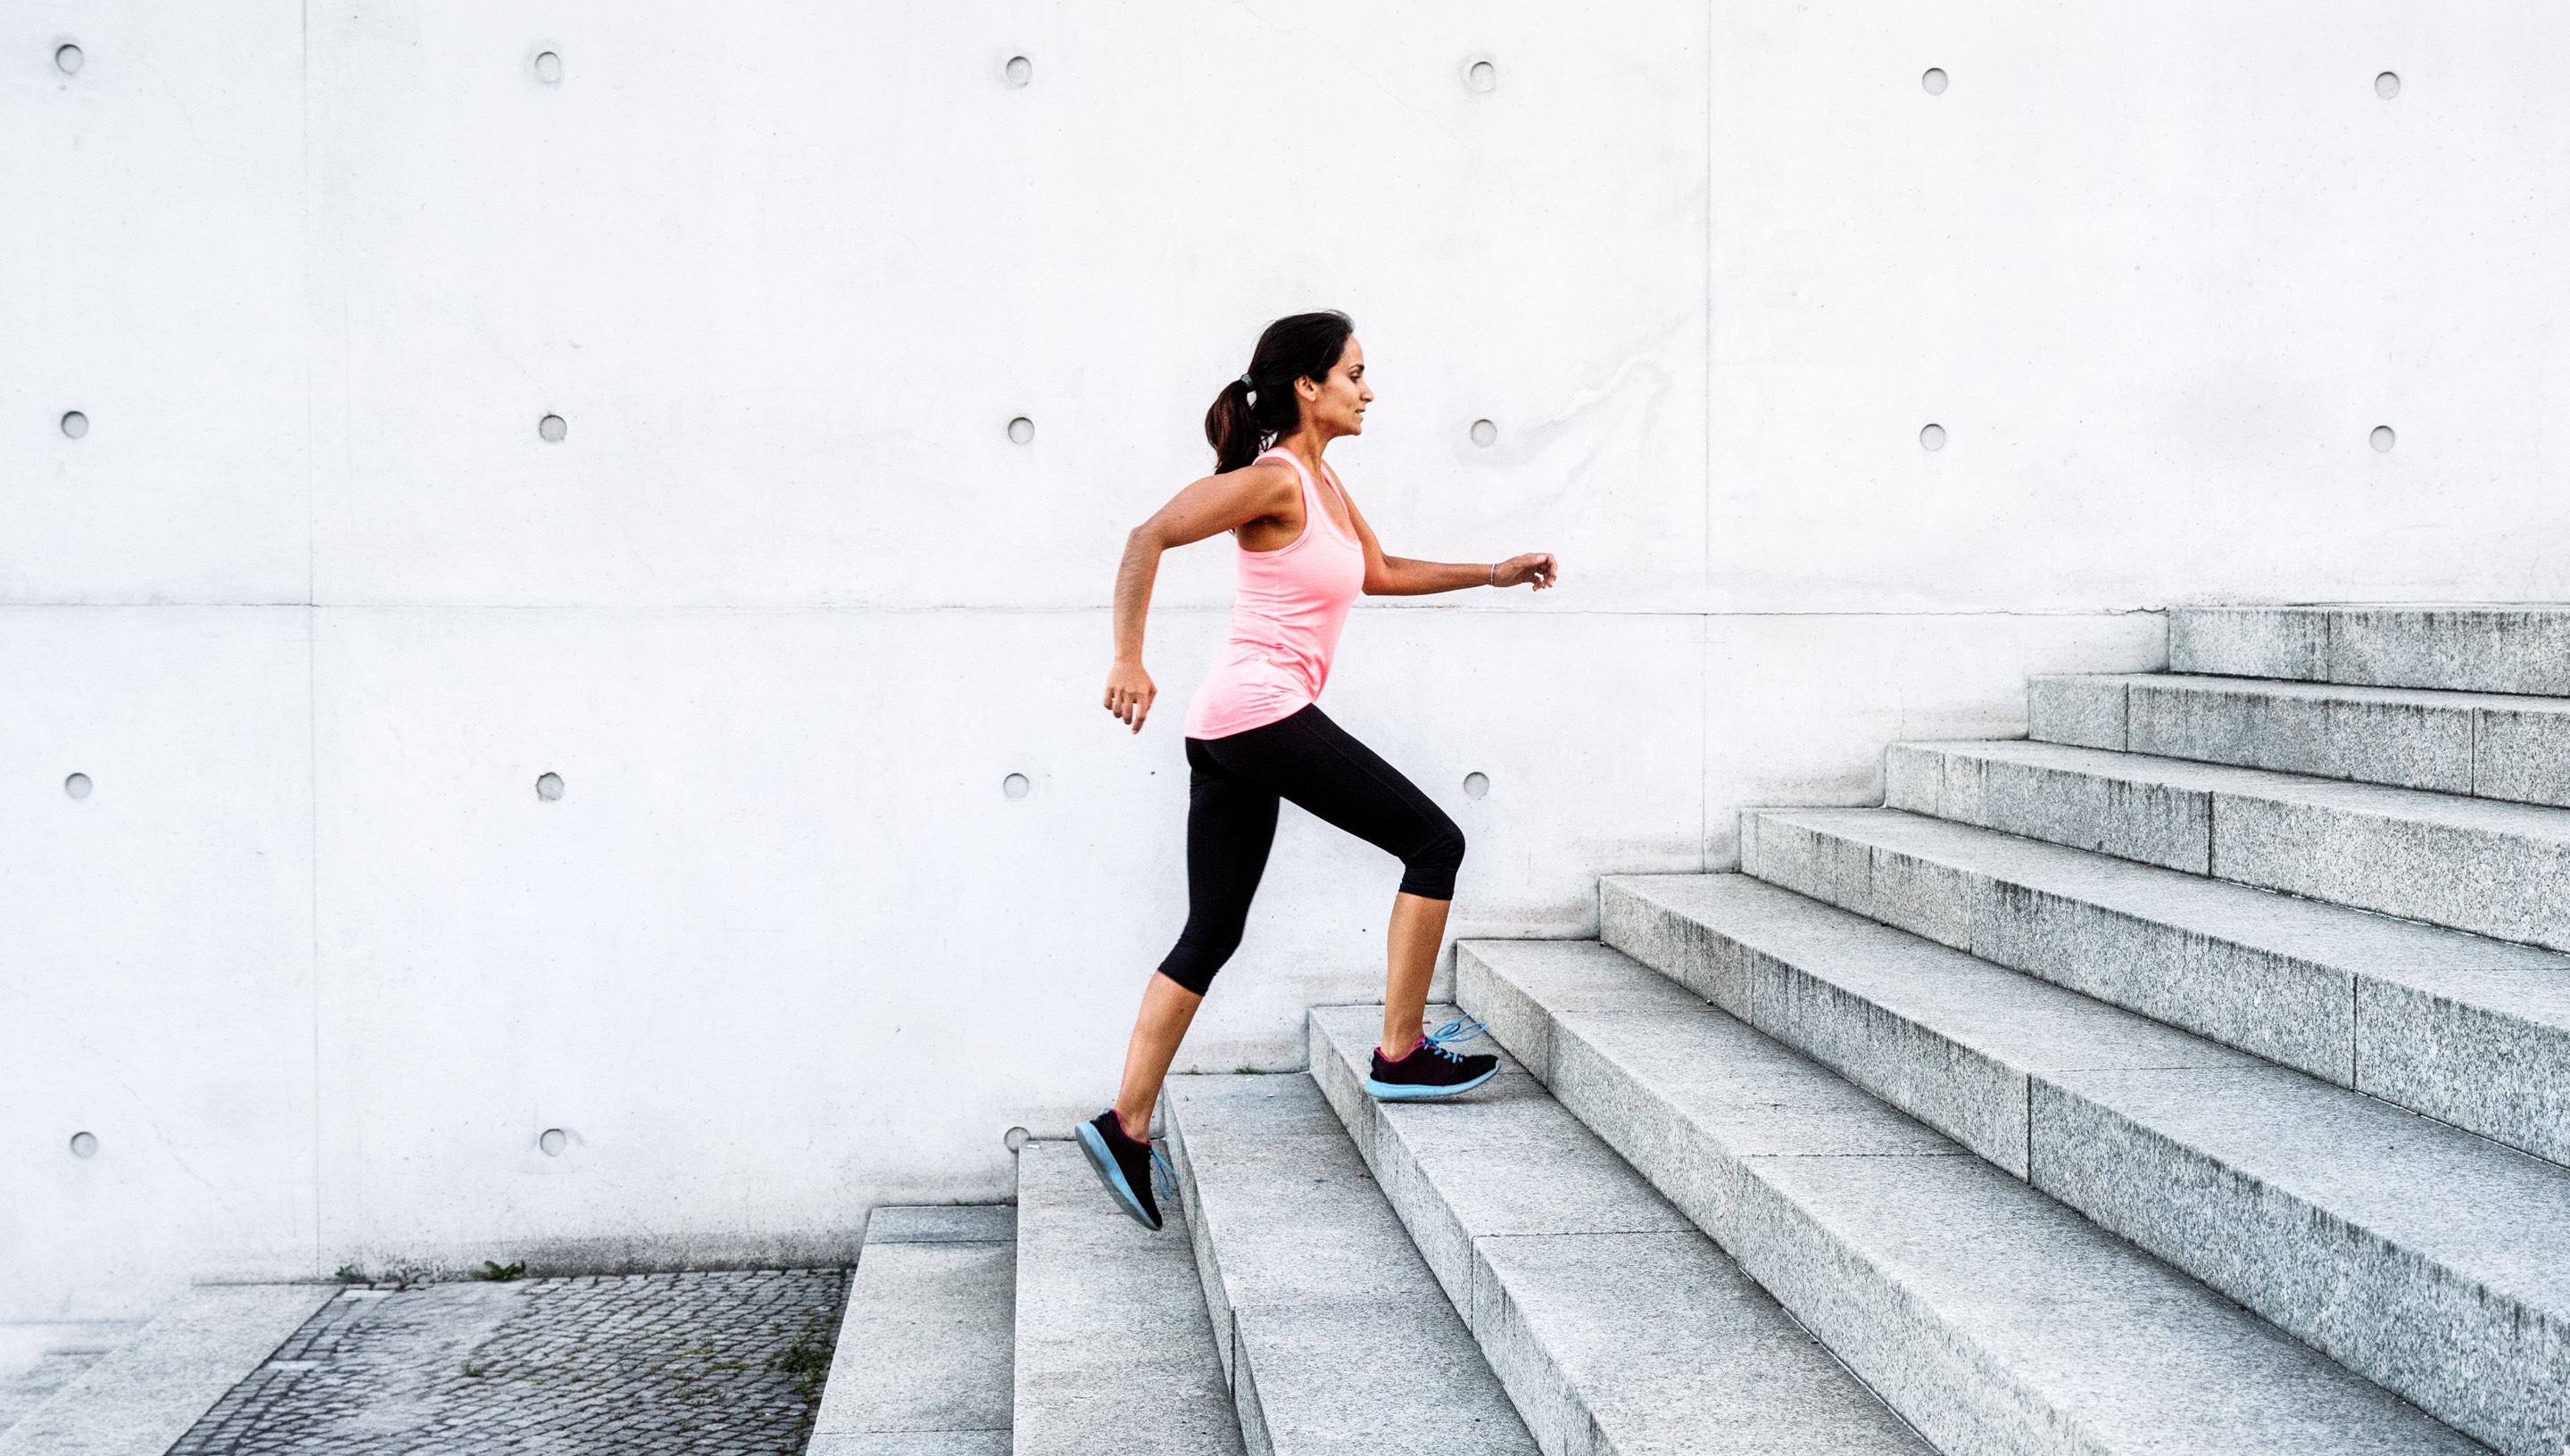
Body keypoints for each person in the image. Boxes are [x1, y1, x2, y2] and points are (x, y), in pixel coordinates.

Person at [1077, 310, 1559, 1229]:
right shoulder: (1272, 480)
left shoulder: (1325, 485)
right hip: (1257, 714)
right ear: (1309, 385)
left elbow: (1379, 572)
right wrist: (1128, 658)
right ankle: (1400, 1051)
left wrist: (1492, 572)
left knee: (1213, 929)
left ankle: (1126, 1126)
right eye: (1355, 373)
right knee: (1434, 840)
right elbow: (1147, 537)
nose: (1368, 390)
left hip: (1231, 723)